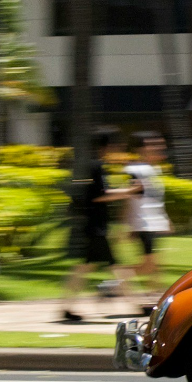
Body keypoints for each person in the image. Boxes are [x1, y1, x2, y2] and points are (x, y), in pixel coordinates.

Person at [58, 129, 119, 324]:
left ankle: (66, 307)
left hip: (91, 226)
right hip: (96, 227)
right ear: (106, 147)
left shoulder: (90, 165)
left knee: (83, 269)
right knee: (116, 266)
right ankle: (138, 306)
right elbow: (99, 195)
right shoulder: (97, 166)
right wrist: (129, 192)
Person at [124, 132, 174, 294]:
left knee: (154, 265)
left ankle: (155, 296)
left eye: (160, 145)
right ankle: (113, 283)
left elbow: (154, 199)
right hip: (143, 223)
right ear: (141, 149)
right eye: (153, 145)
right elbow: (130, 198)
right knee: (148, 265)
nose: (159, 148)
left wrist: (165, 219)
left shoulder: (154, 170)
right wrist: (129, 226)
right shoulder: (135, 169)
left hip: (152, 222)